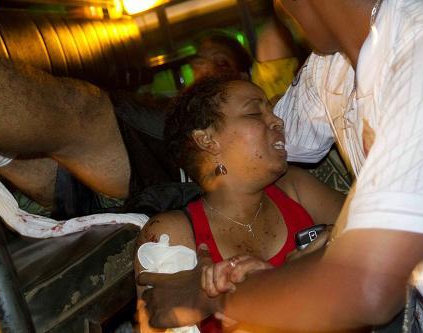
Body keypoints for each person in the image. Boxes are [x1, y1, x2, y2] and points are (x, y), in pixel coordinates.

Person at [139, 0, 423, 331]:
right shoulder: (329, 69)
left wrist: (213, 297)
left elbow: (369, 287)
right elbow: (251, 147)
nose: (274, 121)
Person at [134, 75, 344, 332]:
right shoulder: (171, 233)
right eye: (255, 113)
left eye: (273, 111)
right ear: (206, 140)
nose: (278, 121)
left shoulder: (293, 187)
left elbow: (376, 241)